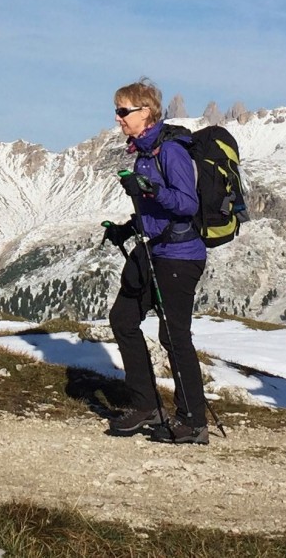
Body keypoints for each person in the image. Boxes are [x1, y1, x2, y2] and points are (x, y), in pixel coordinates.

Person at [100, 78, 210, 444]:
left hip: (180, 255)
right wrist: (127, 228)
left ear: (146, 112)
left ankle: (193, 421)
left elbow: (187, 204)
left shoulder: (171, 151)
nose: (118, 118)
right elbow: (155, 209)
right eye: (117, 111)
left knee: (174, 335)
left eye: (123, 111)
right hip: (153, 248)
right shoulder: (145, 153)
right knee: (123, 318)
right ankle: (146, 404)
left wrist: (150, 190)